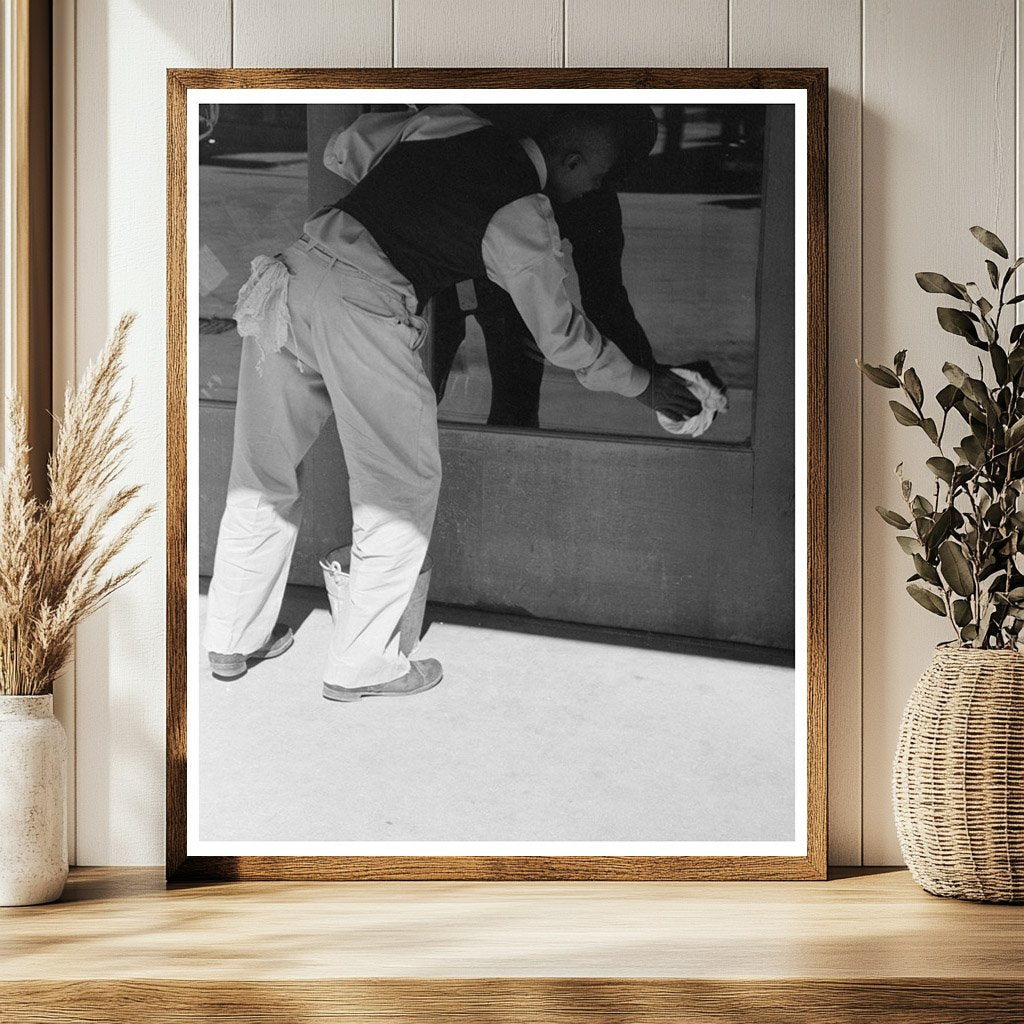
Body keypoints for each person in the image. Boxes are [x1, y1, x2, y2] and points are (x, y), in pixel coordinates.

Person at [203, 103, 702, 702]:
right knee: (398, 487)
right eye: (595, 177)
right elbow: (561, 337)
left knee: (262, 472)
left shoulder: (448, 124)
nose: (592, 191)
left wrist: (407, 192)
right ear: (571, 161)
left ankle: (231, 637)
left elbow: (342, 146)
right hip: (363, 307)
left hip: (292, 276)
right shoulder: (523, 213)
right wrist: (642, 384)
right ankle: (362, 663)